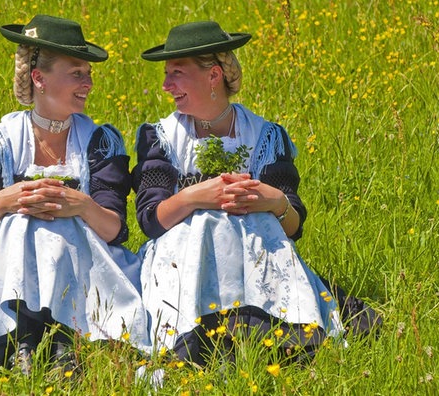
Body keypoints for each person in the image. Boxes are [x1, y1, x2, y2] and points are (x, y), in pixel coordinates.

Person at [133, 21, 379, 366]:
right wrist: (196, 197)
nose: (165, 85)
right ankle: (200, 334)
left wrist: (274, 201)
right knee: (206, 223)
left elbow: (292, 227)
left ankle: (261, 328)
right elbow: (150, 220)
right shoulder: (161, 137)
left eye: (176, 72)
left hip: (257, 263)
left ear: (213, 76)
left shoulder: (264, 136)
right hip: (185, 264)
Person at [0, 14, 150, 373]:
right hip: (7, 268)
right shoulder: (0, 140)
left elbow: (113, 230)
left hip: (86, 270)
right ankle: (22, 340)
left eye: (89, 74)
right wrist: (4, 202)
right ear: (39, 78)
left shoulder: (98, 142)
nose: (88, 83)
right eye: (77, 73)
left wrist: (80, 205)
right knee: (20, 224)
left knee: (59, 229)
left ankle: (60, 341)